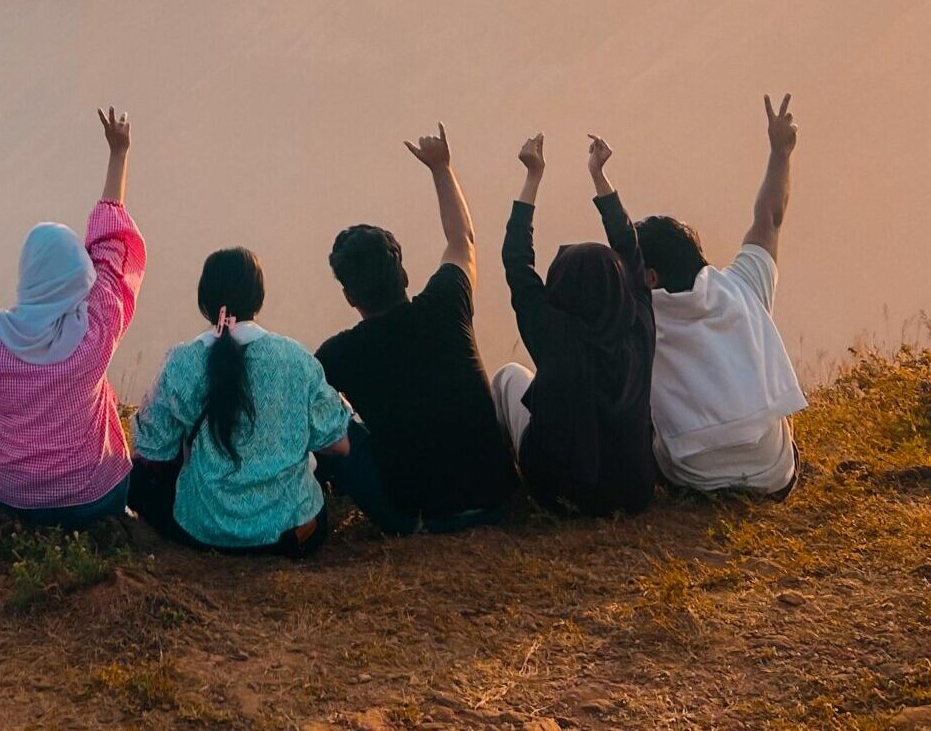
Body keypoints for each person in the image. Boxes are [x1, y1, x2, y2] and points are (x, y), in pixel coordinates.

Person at [315, 124, 518, 534]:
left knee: (333, 423)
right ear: (404, 274)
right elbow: (463, 239)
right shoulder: (447, 301)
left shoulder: (338, 355)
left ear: (350, 297)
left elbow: (299, 410)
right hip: (497, 500)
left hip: (416, 516)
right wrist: (441, 168)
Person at [0, 107, 146, 527]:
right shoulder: (97, 328)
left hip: (15, 498)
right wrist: (119, 153)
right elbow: (111, 252)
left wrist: (0, 434)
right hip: (95, 496)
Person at [130, 247, 352, 556]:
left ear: (204, 302)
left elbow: (152, 448)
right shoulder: (295, 359)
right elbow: (339, 445)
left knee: (134, 480)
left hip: (202, 531)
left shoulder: (182, 363)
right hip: (294, 534)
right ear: (258, 299)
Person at [636, 95, 806, 497]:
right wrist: (780, 153)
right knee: (773, 413)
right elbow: (770, 218)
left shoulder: (639, 314)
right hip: (771, 471)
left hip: (693, 475)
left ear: (650, 276)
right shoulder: (741, 286)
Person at [491, 135, 656, 517]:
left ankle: (501, 478)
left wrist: (533, 176)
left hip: (559, 490)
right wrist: (600, 176)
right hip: (633, 489)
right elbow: (631, 251)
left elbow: (517, 262)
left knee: (507, 378)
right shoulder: (640, 326)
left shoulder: (552, 335)